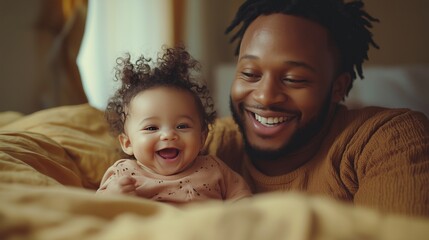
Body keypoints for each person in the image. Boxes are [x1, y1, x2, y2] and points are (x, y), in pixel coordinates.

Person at [203, 0, 429, 217]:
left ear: (338, 88)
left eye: (294, 79)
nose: (265, 96)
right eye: (250, 74)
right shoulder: (206, 142)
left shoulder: (387, 140)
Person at [97, 46, 252, 205]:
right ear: (128, 143)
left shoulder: (213, 168)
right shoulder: (124, 173)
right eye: (152, 128)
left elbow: (242, 199)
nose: (168, 135)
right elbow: (92, 207)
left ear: (202, 138)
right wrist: (112, 196)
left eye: (182, 126)